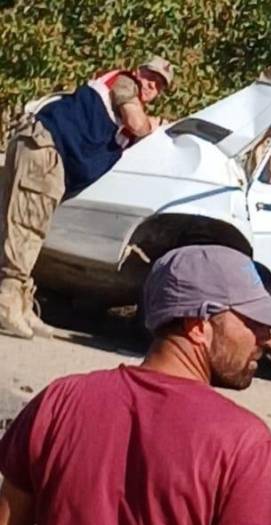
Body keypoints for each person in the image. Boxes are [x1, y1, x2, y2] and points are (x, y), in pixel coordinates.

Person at [0, 244, 271, 525]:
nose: (269, 339)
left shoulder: (60, 401)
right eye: (253, 321)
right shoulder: (242, 443)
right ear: (199, 325)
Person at [0, 55, 175, 339]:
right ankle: (7, 301)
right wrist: (156, 125)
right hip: (45, 146)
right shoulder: (124, 84)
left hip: (42, 147)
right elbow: (138, 123)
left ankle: (19, 301)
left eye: (159, 84)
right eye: (149, 75)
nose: (151, 84)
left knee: (21, 225)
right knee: (27, 227)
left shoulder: (121, 114)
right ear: (138, 70)